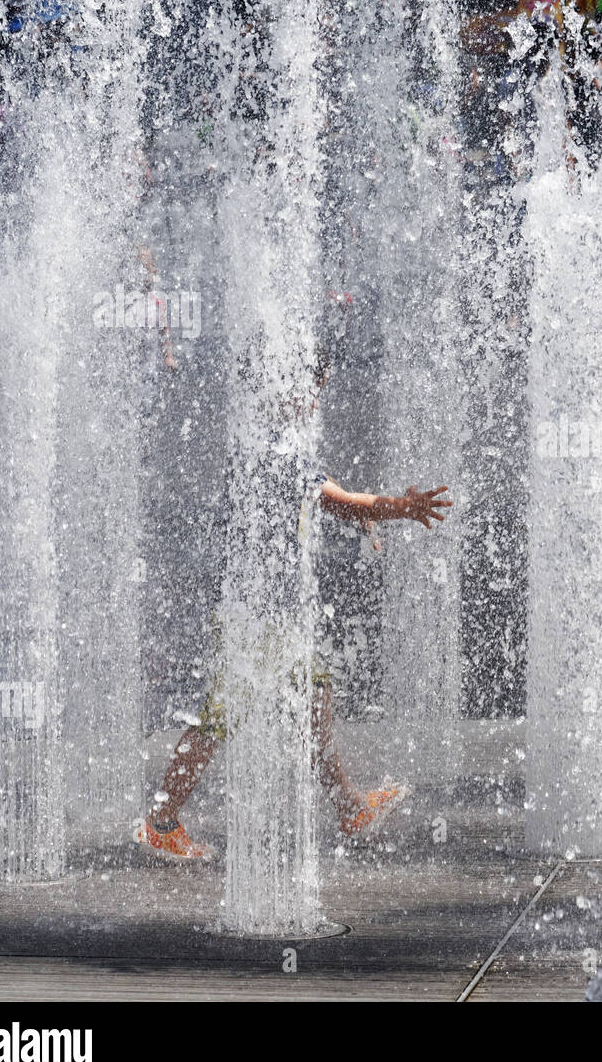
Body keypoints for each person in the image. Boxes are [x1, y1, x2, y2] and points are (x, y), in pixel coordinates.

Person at [134, 338, 452, 861]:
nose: (314, 398)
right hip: (258, 616)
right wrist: (401, 507)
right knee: (220, 721)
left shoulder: (265, 437)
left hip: (263, 610)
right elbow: (337, 499)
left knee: (308, 702)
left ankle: (347, 806)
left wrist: (365, 510)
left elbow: (321, 485)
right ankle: (162, 821)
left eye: (318, 387)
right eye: (310, 387)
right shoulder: (276, 449)